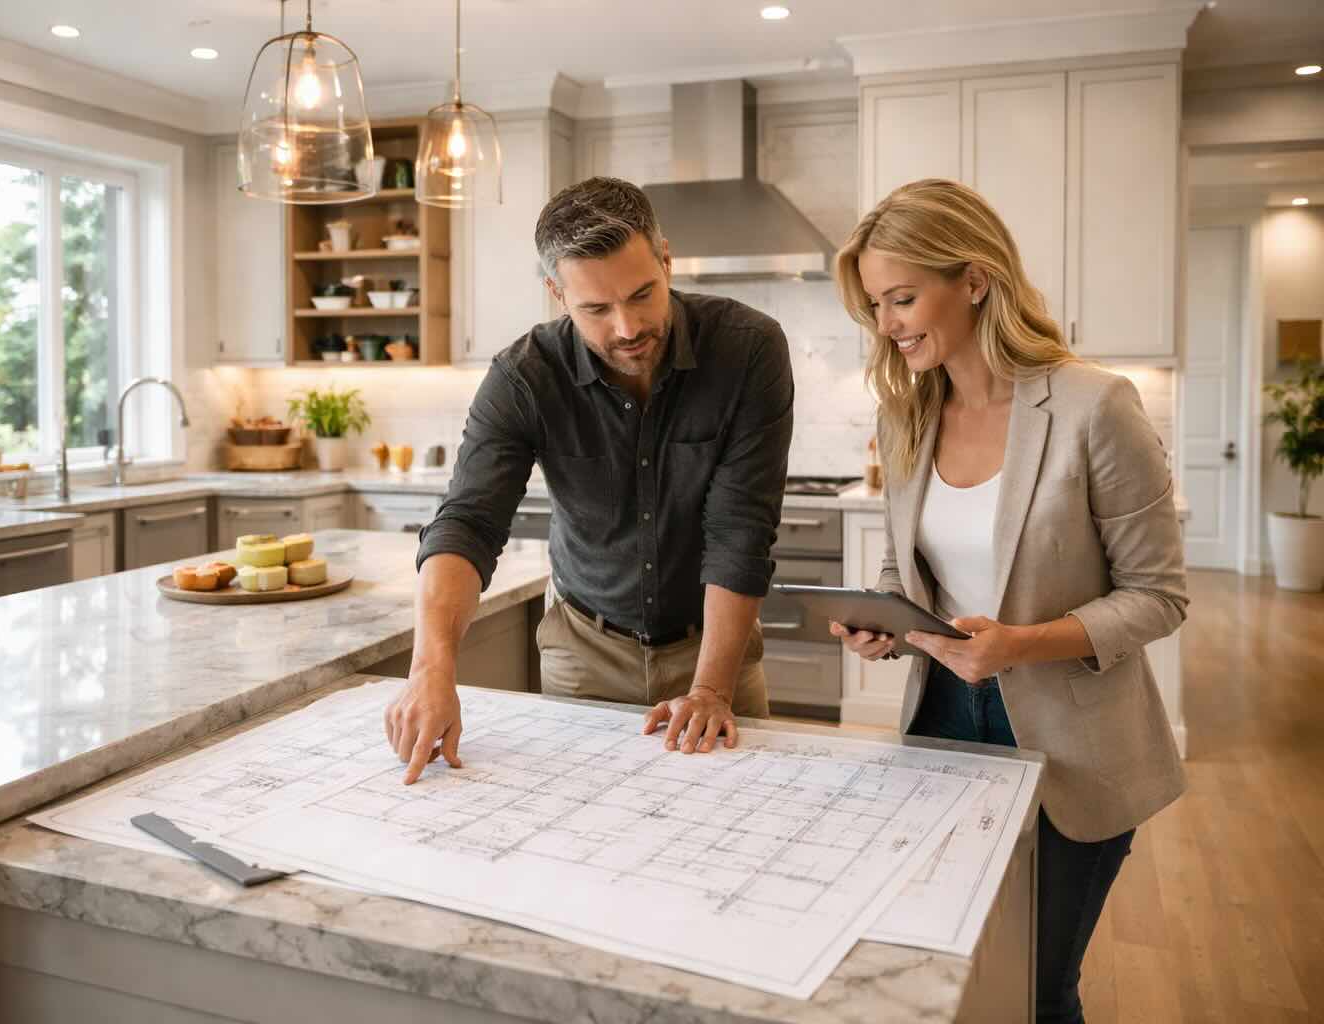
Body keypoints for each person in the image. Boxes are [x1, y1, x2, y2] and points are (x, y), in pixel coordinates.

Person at [829, 178, 1187, 1024]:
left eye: (903, 298)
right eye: (876, 305)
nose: (888, 324)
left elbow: (1159, 597)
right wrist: (884, 622)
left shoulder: (1094, 405)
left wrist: (1017, 644)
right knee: (955, 973)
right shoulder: (905, 415)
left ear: (976, 280)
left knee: (1035, 988)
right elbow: (905, 573)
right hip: (943, 719)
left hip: (1075, 744)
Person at [384, 176, 794, 784]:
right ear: (557, 293)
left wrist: (711, 689)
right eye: (596, 309)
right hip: (584, 654)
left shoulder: (747, 349)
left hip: (715, 651)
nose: (627, 327)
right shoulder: (524, 377)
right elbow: (468, 522)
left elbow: (740, 530)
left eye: (642, 294)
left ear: (666, 260)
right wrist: (430, 669)